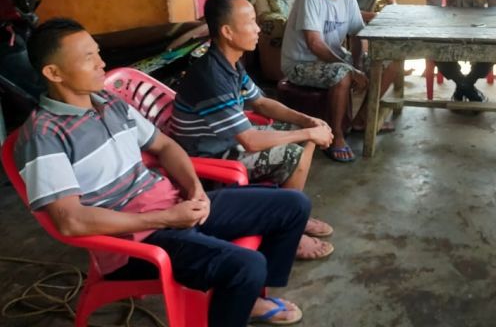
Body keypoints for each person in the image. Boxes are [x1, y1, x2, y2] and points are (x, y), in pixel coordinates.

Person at [15, 18, 309, 327]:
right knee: (246, 265)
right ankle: (241, 295)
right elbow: (70, 221)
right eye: (89, 57)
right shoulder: (44, 136)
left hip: (174, 206)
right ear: (54, 73)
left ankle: (247, 300)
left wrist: (195, 189)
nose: (102, 63)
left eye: (98, 53)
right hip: (135, 243)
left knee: (293, 205)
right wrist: (166, 219)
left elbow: (165, 146)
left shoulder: (109, 102)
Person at [171, 0, 336, 260]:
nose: (258, 29)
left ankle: (292, 213)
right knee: (295, 150)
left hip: (229, 141)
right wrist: (309, 132)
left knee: (303, 135)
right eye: (250, 22)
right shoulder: (212, 76)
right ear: (227, 31)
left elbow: (260, 103)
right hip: (209, 159)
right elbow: (249, 141)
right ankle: (288, 229)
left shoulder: (230, 63)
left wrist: (306, 121)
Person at [282, 0, 396, 162]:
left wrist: (358, 63)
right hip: (301, 63)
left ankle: (362, 119)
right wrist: (351, 70)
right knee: (342, 75)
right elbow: (314, 44)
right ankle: (336, 136)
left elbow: (358, 34)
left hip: (334, 58)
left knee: (389, 61)